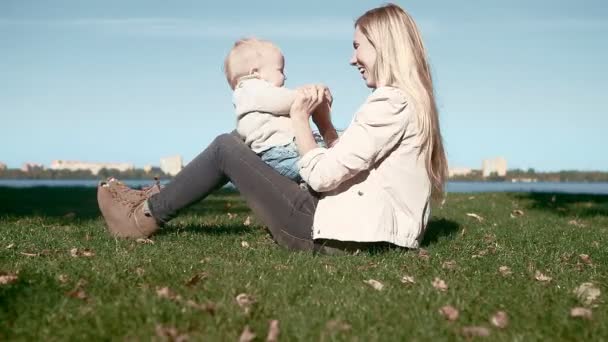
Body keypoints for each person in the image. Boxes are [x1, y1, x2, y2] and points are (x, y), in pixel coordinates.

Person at [97, 3, 447, 253]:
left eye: (358, 47)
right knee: (239, 142)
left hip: (335, 234)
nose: (352, 58)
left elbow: (323, 178)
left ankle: (142, 217)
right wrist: (324, 125)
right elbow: (351, 167)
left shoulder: (391, 102)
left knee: (226, 147)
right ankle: (150, 201)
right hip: (354, 229)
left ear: (383, 46)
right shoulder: (405, 102)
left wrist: (299, 119)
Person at [224, 38, 335, 182]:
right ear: (255, 73)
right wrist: (309, 94)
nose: (285, 77)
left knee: (325, 160)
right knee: (316, 170)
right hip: (279, 153)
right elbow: (284, 101)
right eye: (280, 70)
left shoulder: (255, 93)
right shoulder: (250, 88)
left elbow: (281, 99)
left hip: (285, 150)